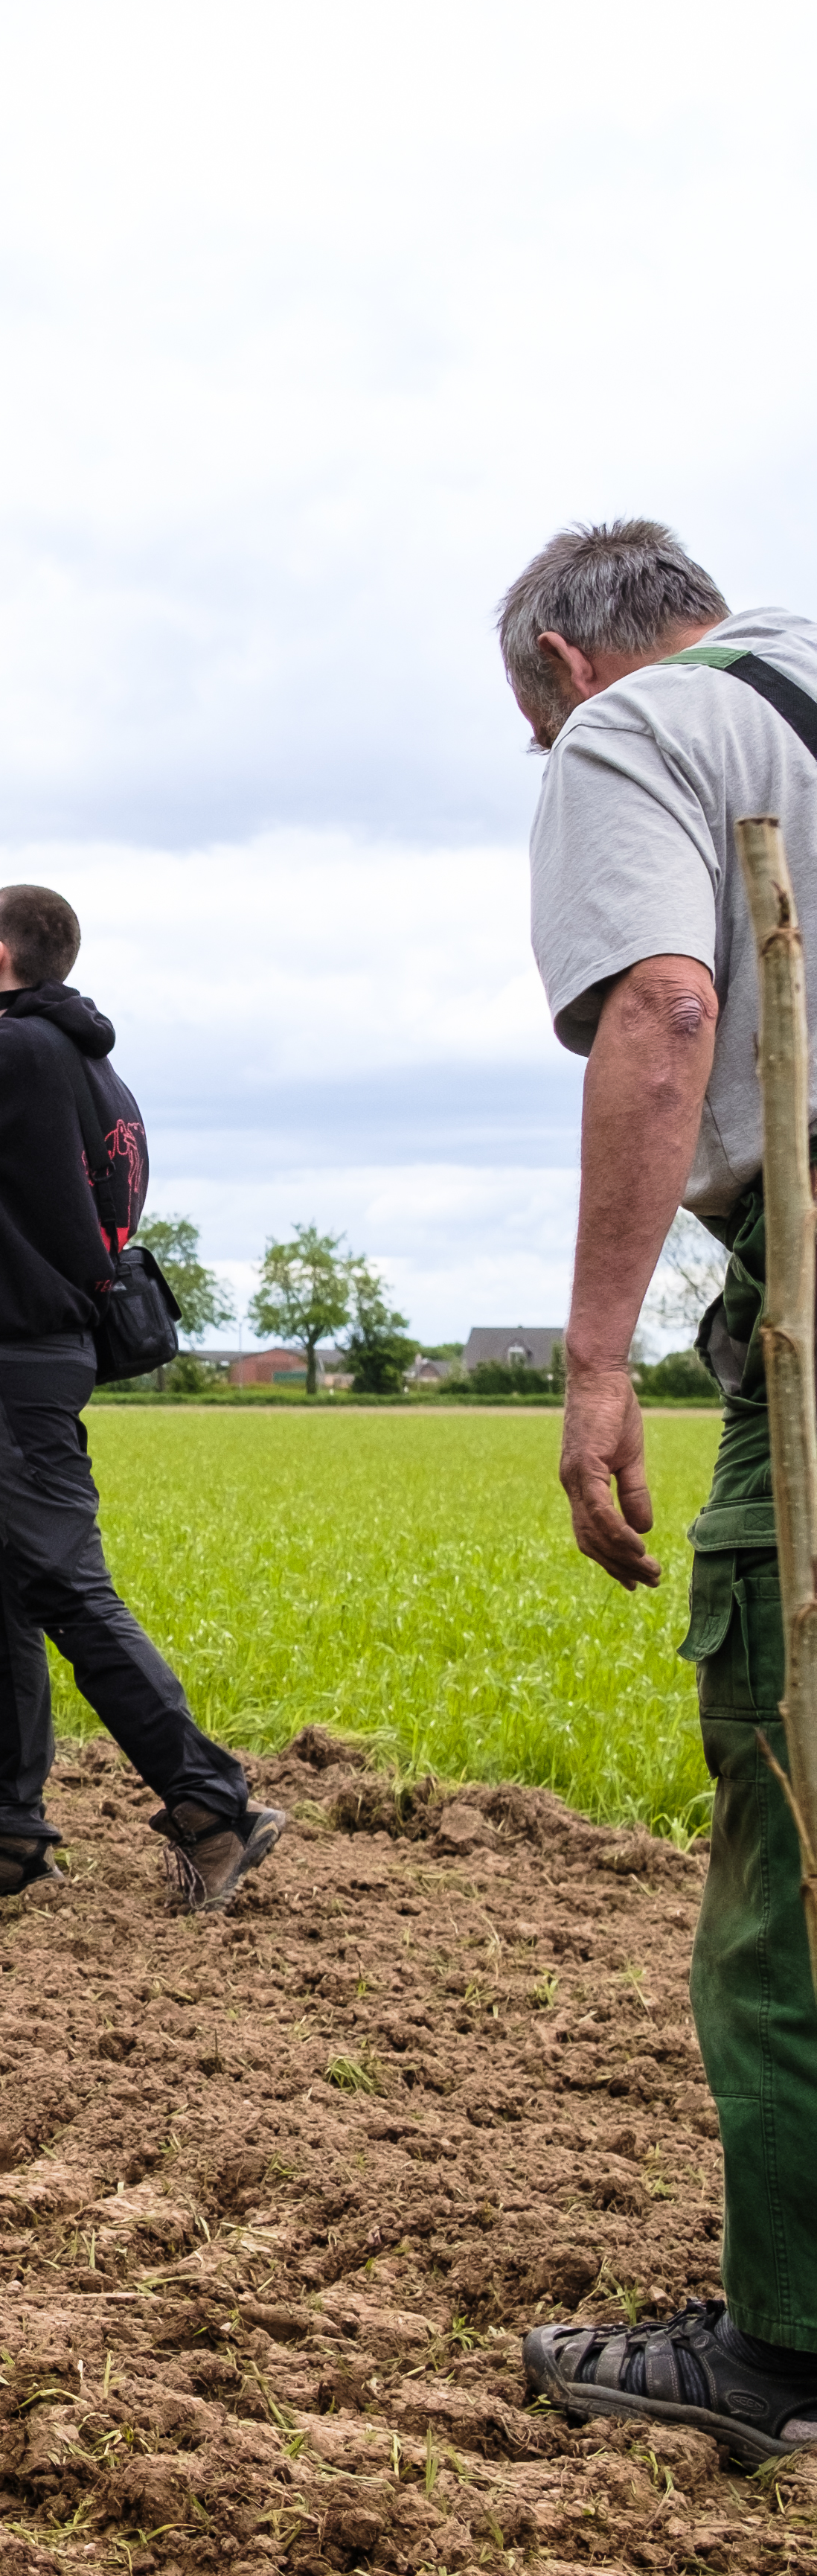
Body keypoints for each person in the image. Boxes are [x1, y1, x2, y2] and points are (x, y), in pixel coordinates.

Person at [492, 518, 817, 2471]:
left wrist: (602, 1349)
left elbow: (668, 1008)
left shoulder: (641, 738)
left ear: (556, 661)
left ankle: (789, 2346)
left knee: (788, 1822)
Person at [0, 883, 282, 1915]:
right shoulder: (100, 1073)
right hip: (29, 1353)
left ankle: (211, 1803)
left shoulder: (10, 1055)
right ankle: (8, 1834)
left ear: (0, 955)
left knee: (58, 1582)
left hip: (13, 1359)